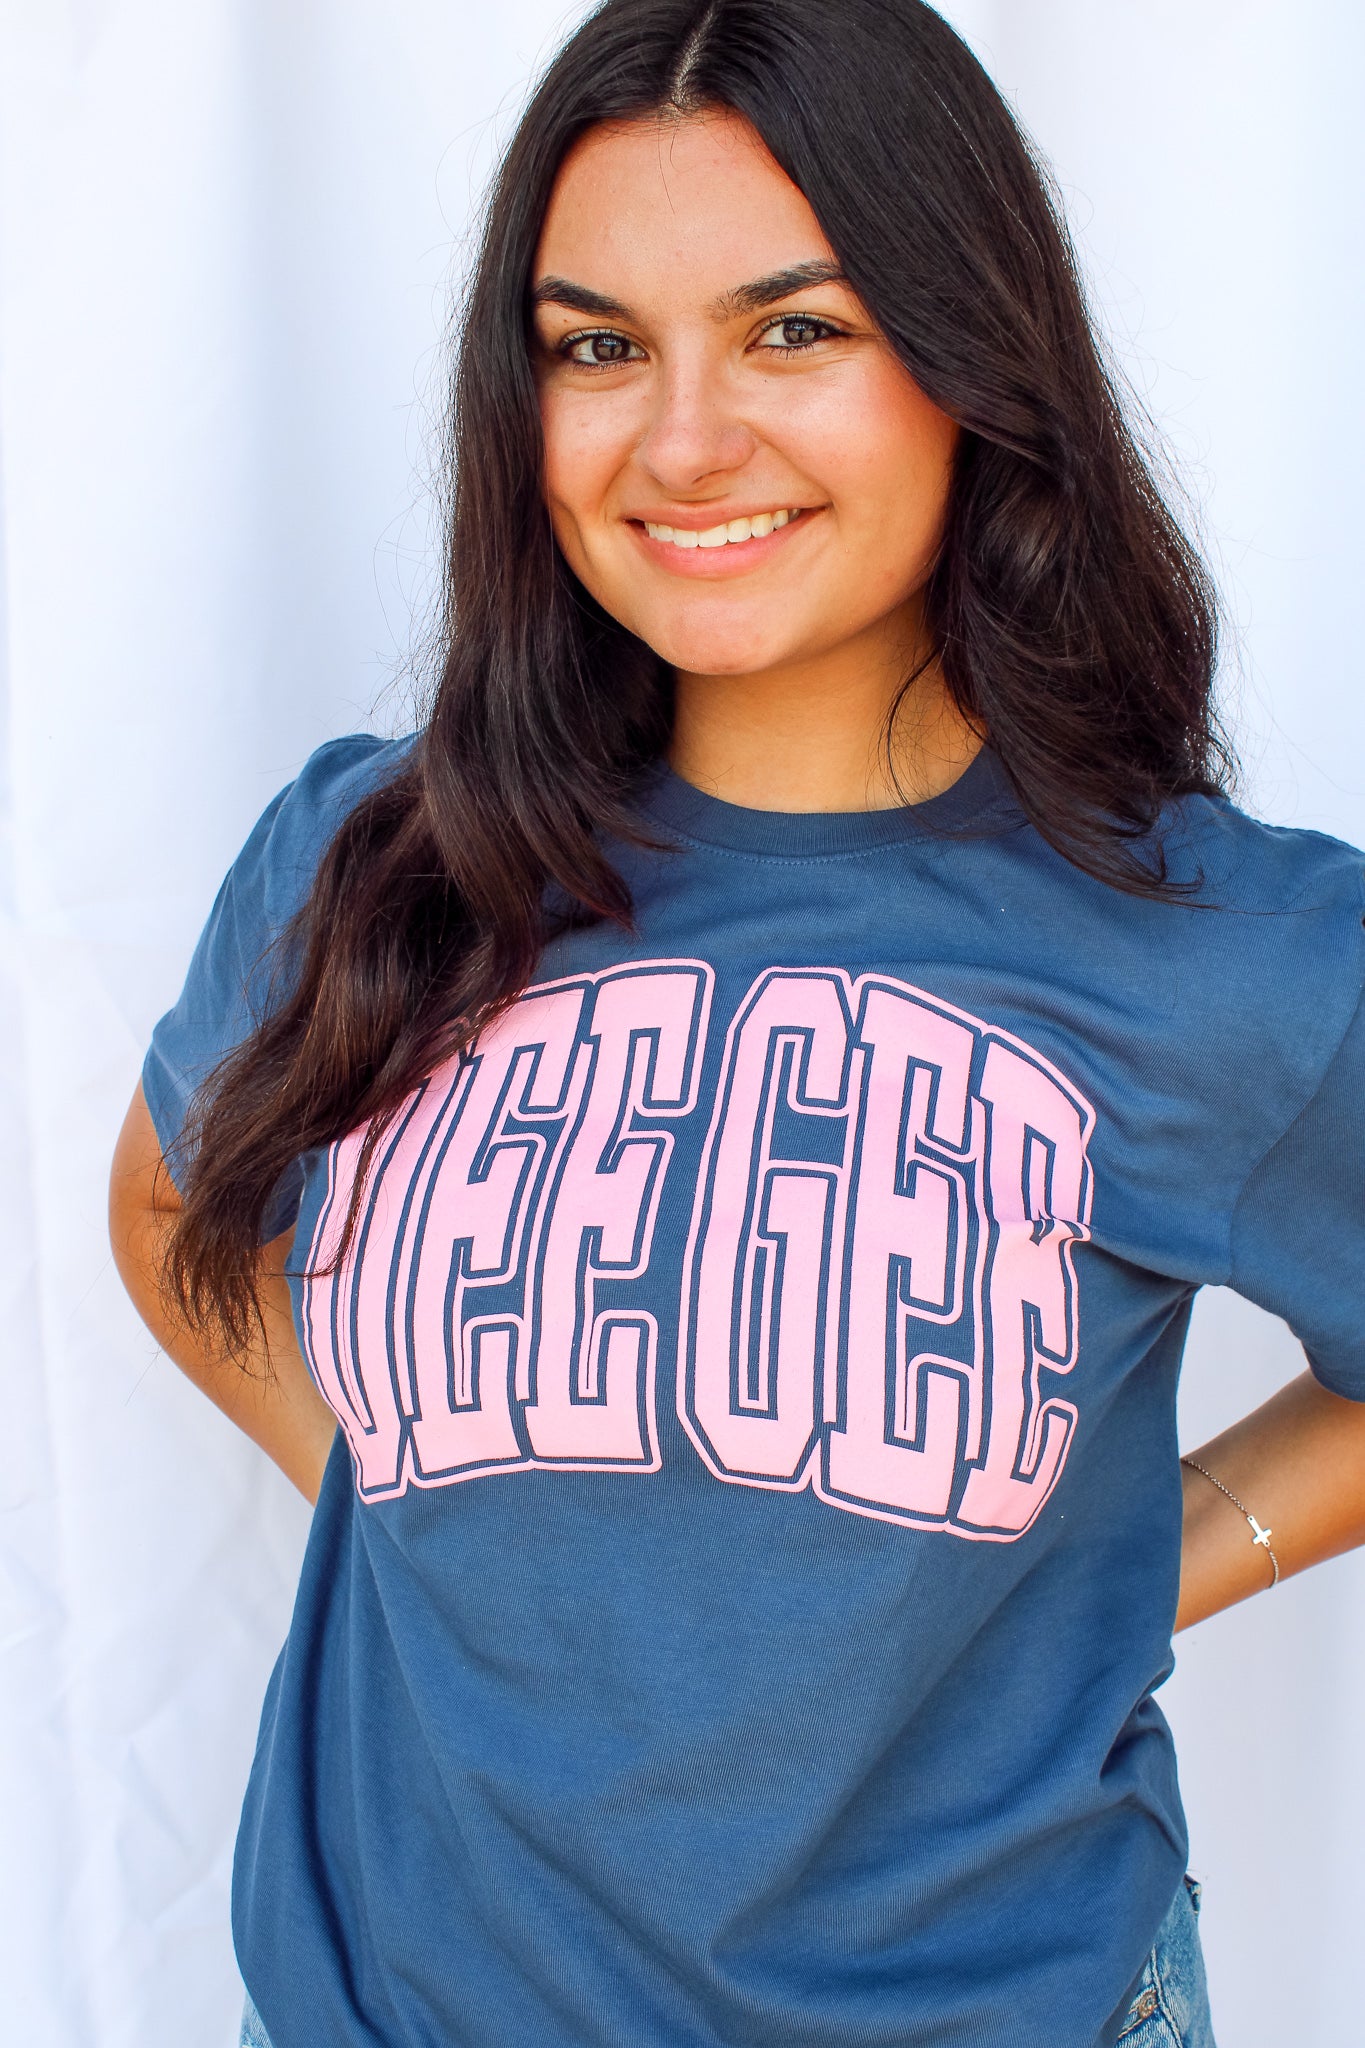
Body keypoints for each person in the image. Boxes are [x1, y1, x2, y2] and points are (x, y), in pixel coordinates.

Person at [108, 2, 1365, 2044]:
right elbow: (172, 1208)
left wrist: (1138, 1567)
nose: (681, 441)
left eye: (793, 329)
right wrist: (425, 1503)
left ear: (970, 359)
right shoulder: (376, 859)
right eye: (596, 346)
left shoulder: (1234, 953)